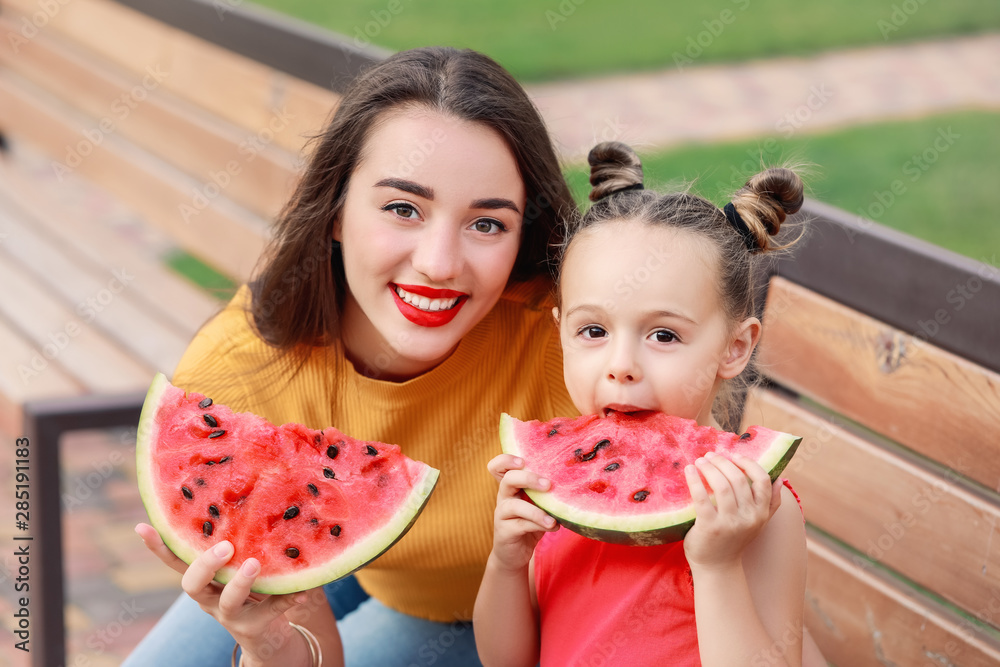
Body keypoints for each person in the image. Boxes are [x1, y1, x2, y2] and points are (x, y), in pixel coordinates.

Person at [126, 46, 581, 667]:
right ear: (336, 210)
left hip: (487, 612)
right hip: (339, 557)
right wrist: (267, 641)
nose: (439, 263)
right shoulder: (240, 368)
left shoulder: (573, 345)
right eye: (402, 208)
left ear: (524, 232)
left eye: (487, 224)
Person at [474, 141, 825, 666]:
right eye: (593, 329)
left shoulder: (763, 509)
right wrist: (506, 562)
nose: (622, 364)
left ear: (735, 347)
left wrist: (716, 567)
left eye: (663, 335)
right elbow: (507, 661)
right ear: (561, 333)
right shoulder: (550, 484)